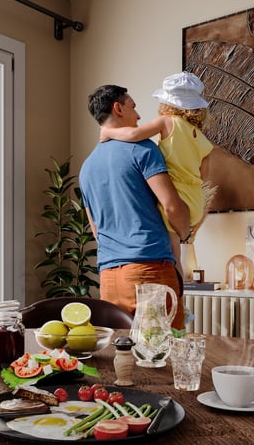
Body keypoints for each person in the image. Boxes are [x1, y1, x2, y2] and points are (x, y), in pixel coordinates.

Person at [79, 84, 191, 330]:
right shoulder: (143, 148)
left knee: (123, 358)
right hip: (149, 269)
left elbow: (96, 230)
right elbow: (171, 205)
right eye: (133, 107)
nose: (139, 116)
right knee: (165, 354)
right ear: (118, 108)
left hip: (109, 277)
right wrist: (185, 232)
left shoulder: (86, 167)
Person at [99, 72, 214, 270]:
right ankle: (179, 289)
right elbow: (203, 176)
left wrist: (108, 132)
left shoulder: (167, 122)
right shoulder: (204, 141)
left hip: (176, 197)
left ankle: (177, 288)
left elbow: (135, 134)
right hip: (195, 201)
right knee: (176, 250)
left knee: (172, 256)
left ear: (168, 102)